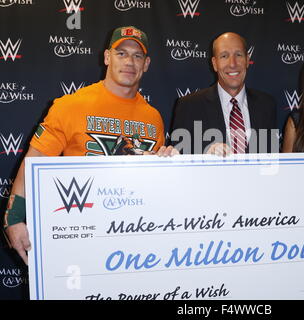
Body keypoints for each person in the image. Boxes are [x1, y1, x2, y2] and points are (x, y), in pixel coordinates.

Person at [3, 26, 176, 264]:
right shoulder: (70, 106)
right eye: (121, 53)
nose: (129, 62)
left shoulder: (153, 117)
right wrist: (14, 218)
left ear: (146, 64)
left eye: (137, 56)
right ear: (107, 57)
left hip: (134, 238)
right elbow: (34, 161)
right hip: (79, 233)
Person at [169, 32, 279, 155]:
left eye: (238, 55)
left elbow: (271, 160)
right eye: (224, 56)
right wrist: (206, 154)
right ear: (215, 64)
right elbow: (178, 160)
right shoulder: (189, 106)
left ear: (248, 60)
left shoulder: (266, 105)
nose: (232, 64)